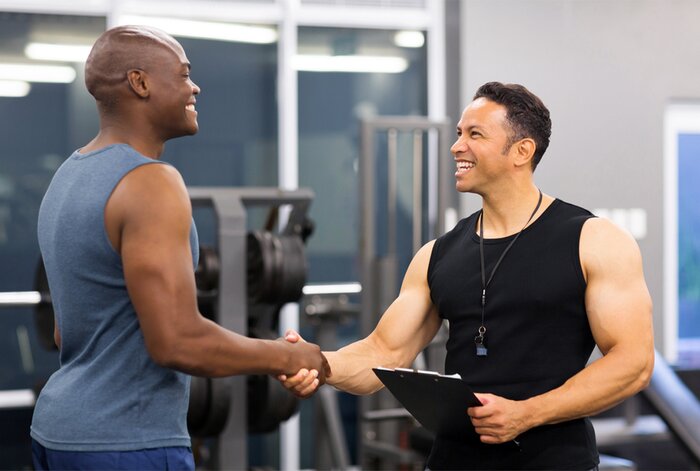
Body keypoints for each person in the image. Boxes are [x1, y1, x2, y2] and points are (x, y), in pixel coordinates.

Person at [280, 81, 654, 470]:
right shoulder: (438, 253)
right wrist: (319, 364)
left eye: (475, 134)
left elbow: (633, 362)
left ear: (522, 151)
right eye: (459, 134)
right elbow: (382, 352)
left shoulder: (593, 240)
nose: (457, 146)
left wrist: (527, 413)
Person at [30, 25, 329, 470]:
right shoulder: (152, 182)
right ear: (141, 83)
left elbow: (64, 331)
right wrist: (288, 356)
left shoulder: (68, 178)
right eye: (184, 74)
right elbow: (177, 342)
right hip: (128, 443)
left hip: (58, 433)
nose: (196, 86)